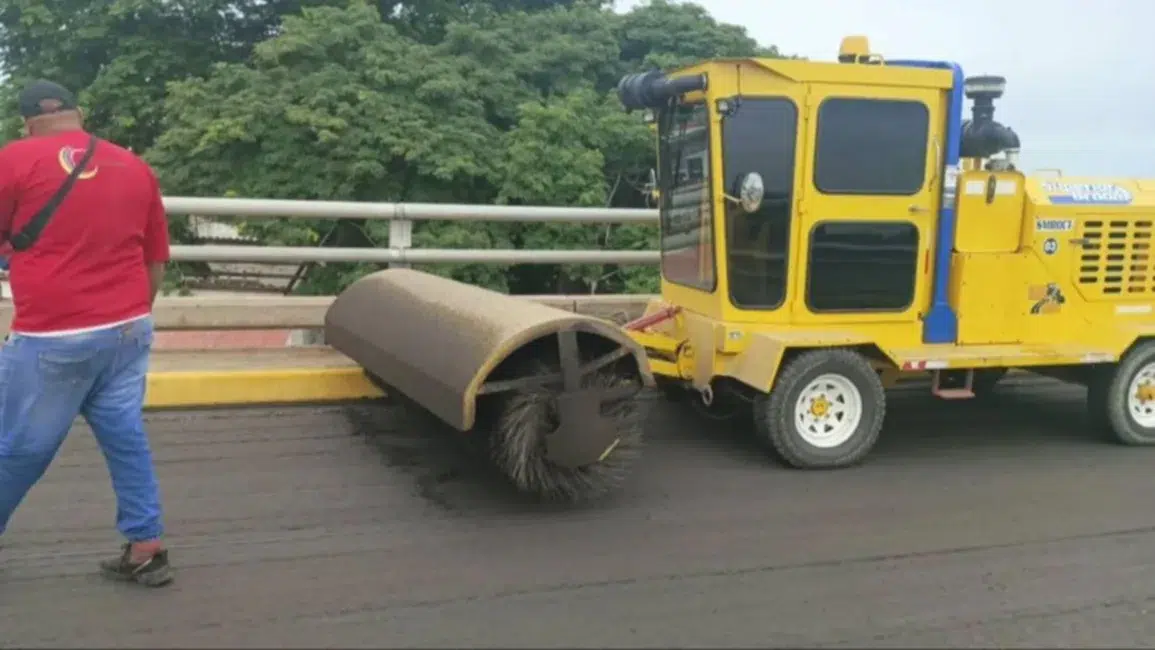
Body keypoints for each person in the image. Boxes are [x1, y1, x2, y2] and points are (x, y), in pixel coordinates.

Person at [0, 80, 173, 587]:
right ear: (78, 113)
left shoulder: (13, 160)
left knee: (19, 448)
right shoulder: (133, 165)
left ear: (28, 121)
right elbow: (155, 259)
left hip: (54, 337)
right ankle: (146, 546)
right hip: (128, 329)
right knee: (125, 437)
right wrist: (132, 314)